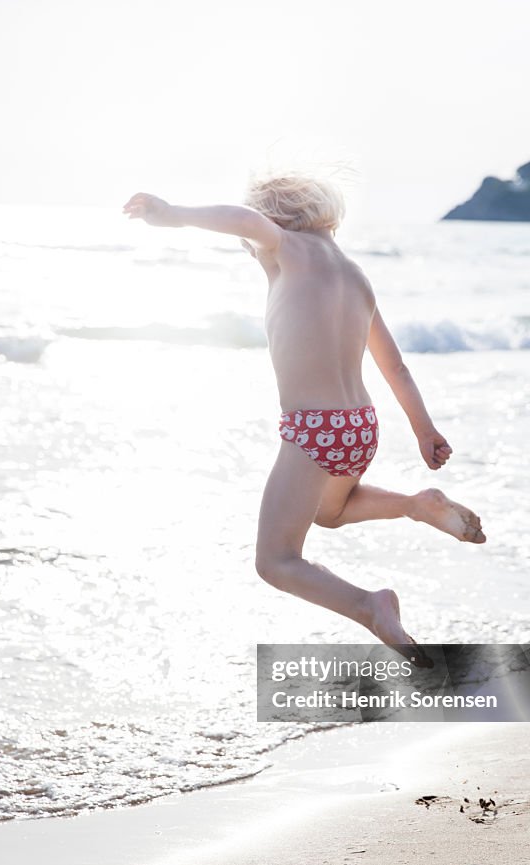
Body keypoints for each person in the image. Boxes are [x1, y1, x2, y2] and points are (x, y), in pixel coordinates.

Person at [123, 173, 485, 665]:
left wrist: (176, 215)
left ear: (275, 220)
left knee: (276, 560)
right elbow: (395, 366)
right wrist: (425, 430)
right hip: (360, 425)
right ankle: (415, 504)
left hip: (314, 429)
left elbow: (246, 221)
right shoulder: (357, 277)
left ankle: (370, 606)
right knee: (329, 513)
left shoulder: (284, 247)